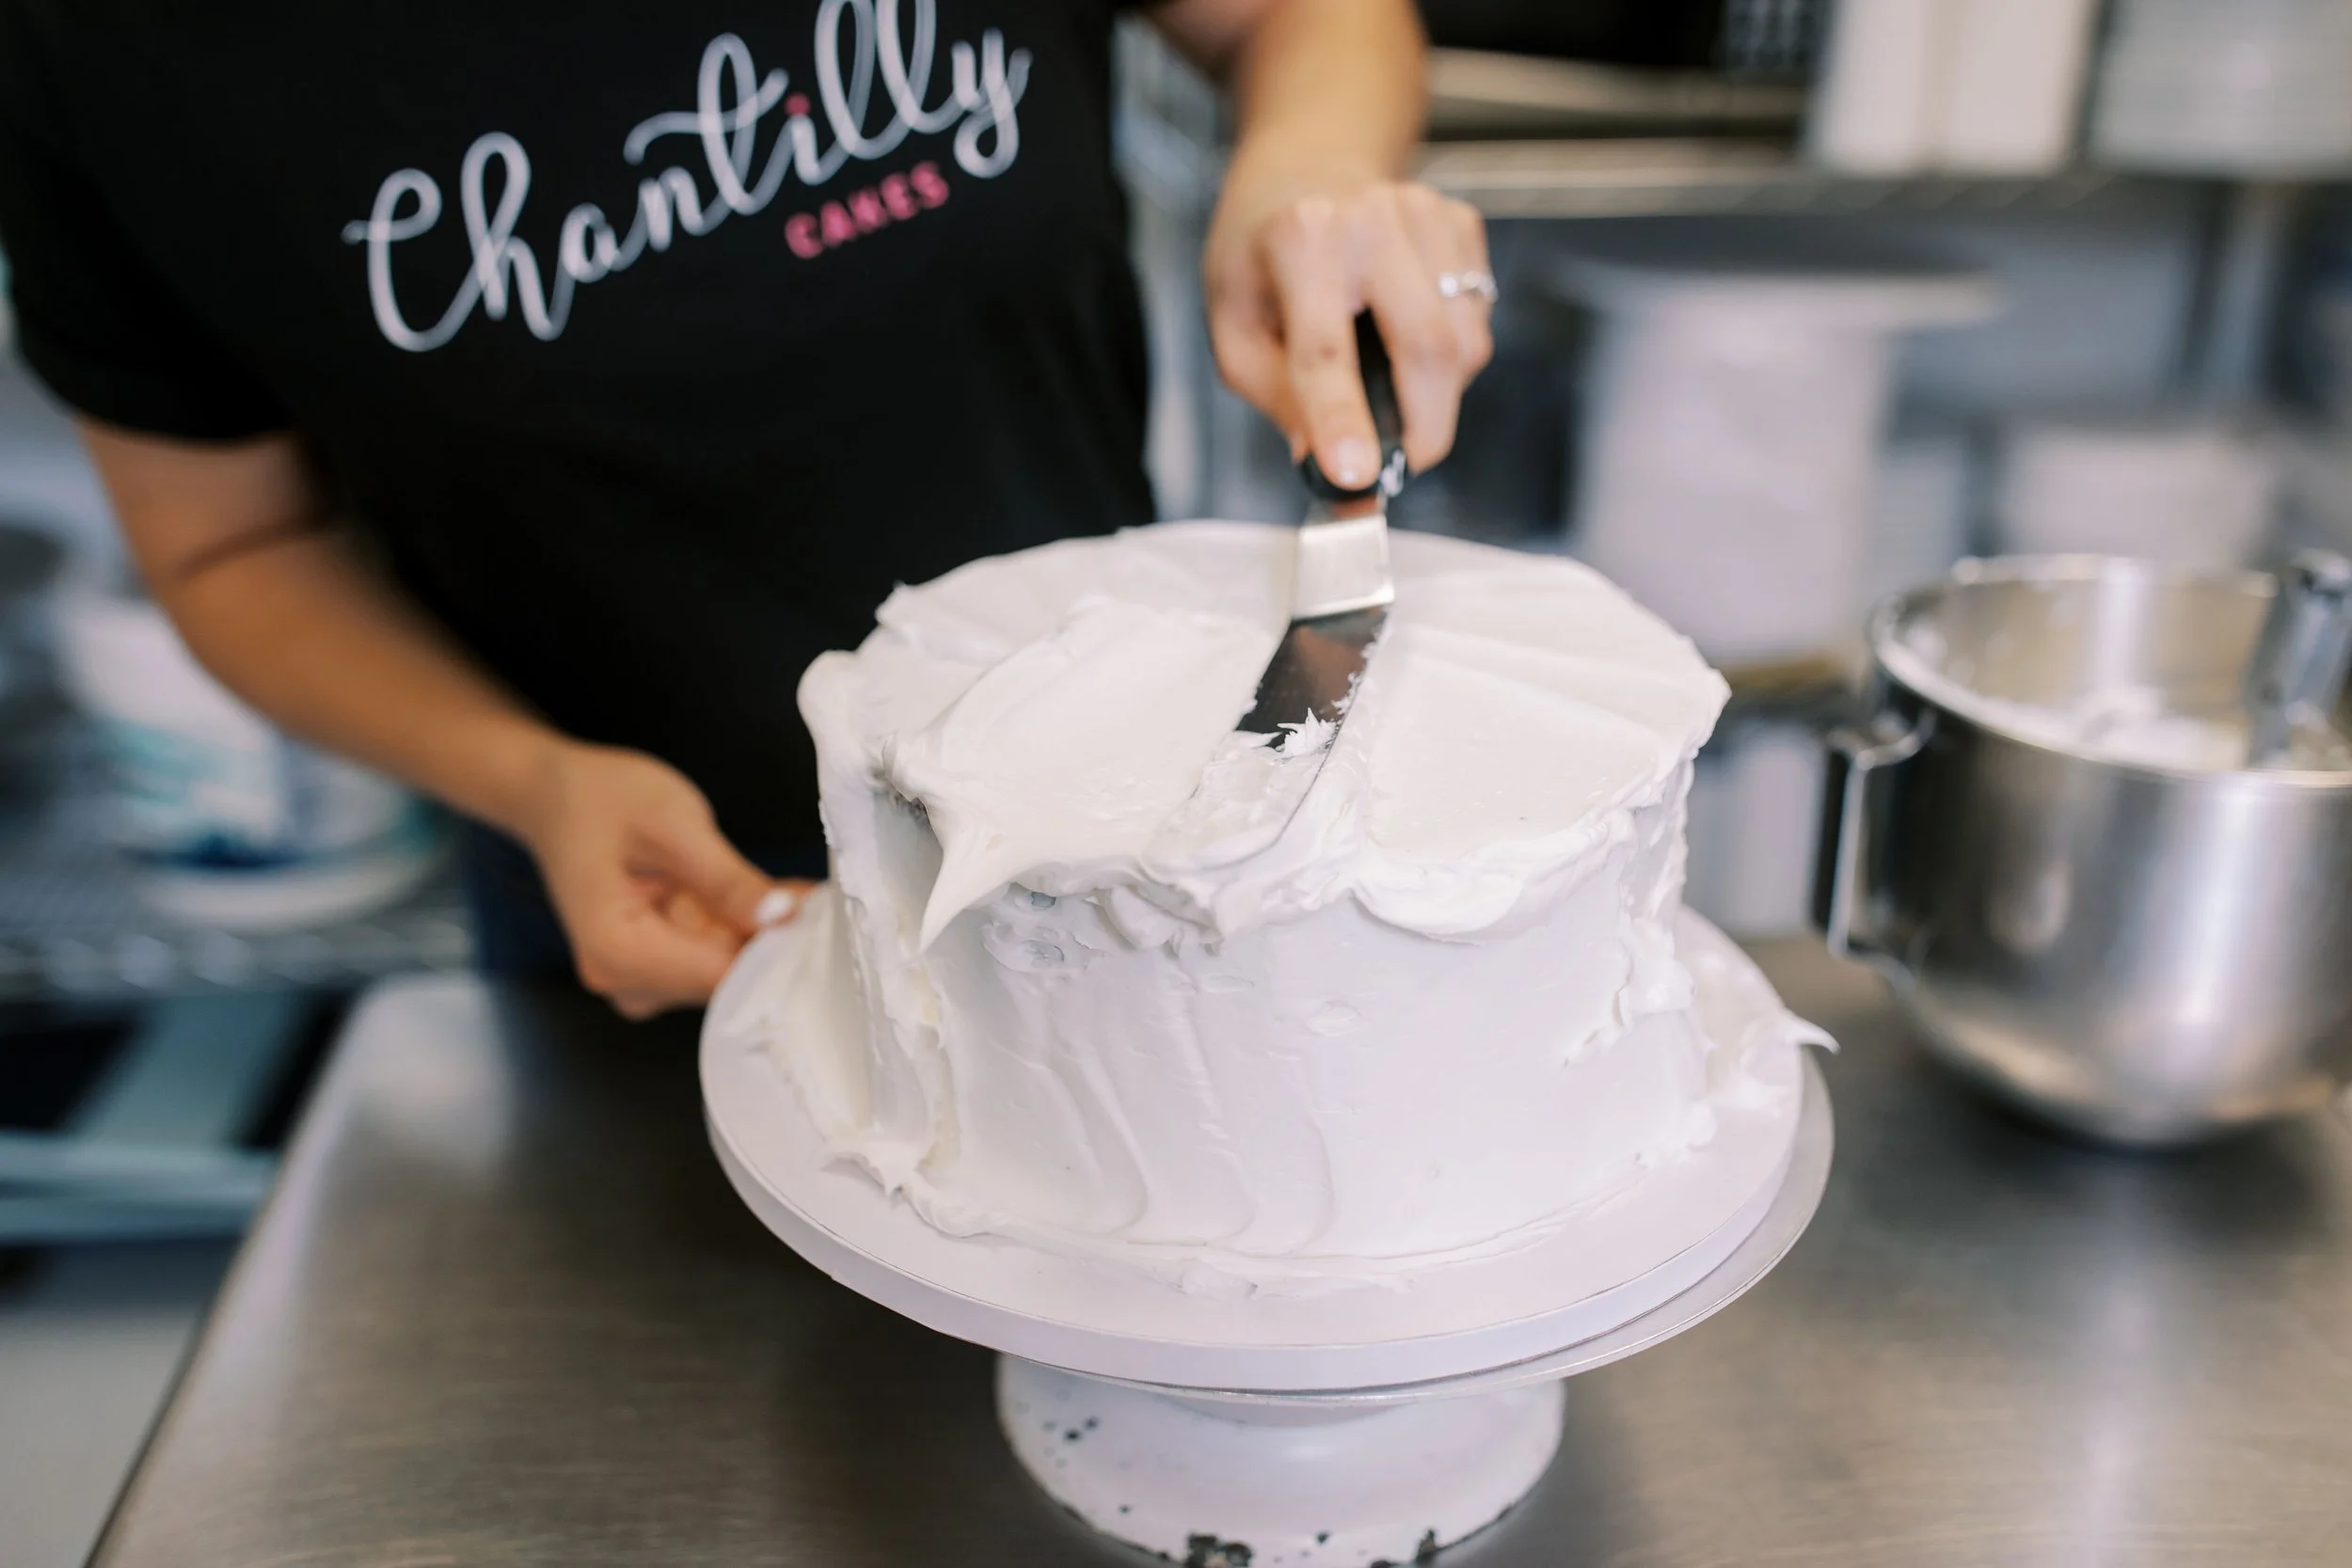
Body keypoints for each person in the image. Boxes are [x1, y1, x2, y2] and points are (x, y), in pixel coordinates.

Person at [0, 0, 1492, 1017]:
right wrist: (533, 782)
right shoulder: (101, 51)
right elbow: (230, 544)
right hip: (659, 902)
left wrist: (1303, 172)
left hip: (1137, 852)